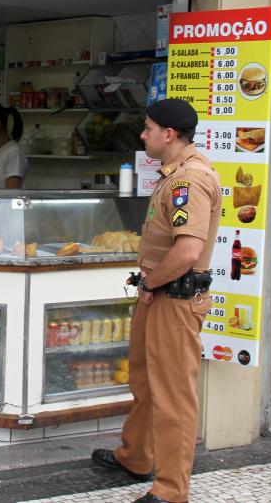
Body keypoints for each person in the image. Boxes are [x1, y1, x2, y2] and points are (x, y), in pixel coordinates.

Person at [91, 98, 221, 503]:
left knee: (173, 396)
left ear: (168, 134)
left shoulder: (190, 181)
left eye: (147, 128)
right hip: (159, 295)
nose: (143, 135)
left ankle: (170, 490)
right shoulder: (173, 174)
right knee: (146, 383)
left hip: (173, 299)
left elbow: (186, 252)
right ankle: (136, 456)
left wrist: (150, 285)